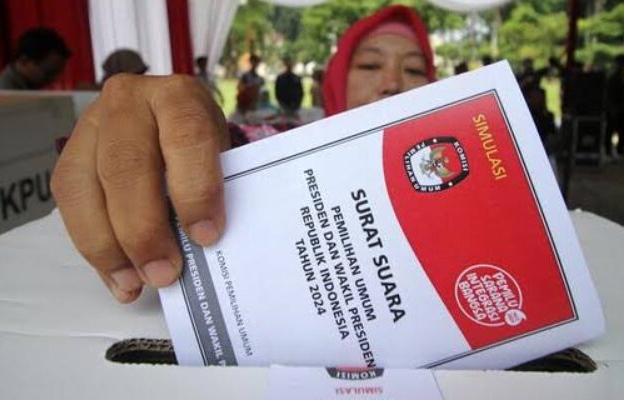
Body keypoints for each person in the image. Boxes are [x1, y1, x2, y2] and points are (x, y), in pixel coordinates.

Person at [51, 5, 435, 303]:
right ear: (334, 79)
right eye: (369, 64)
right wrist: (166, 134)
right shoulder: (285, 146)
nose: (392, 84)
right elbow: (232, 146)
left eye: (415, 70)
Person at [0, 27, 71, 90]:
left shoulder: (28, 84)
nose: (52, 80)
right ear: (24, 61)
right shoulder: (4, 93)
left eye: (56, 74)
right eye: (48, 73)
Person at [605, 54, 624, 155]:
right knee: (611, 129)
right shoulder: (613, 76)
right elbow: (609, 93)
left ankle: (619, 148)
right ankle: (608, 148)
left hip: (621, 106)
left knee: (622, 128)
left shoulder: (623, 76)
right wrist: (611, 107)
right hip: (614, 106)